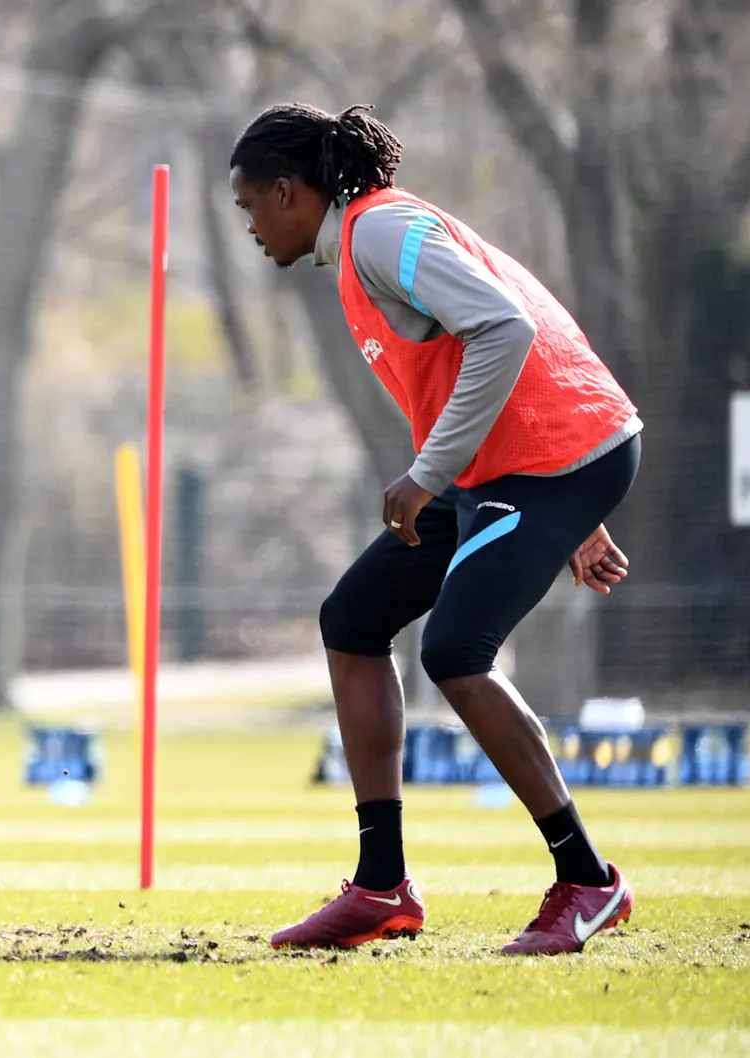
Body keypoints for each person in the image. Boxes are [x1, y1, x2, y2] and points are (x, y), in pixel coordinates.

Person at [228, 104, 641, 955]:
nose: (251, 225)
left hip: (554, 458)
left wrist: (432, 477)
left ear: (287, 190)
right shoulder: (360, 247)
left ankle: (590, 881)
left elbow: (506, 326)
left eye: (249, 206)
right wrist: (557, 513)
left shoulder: (380, 231)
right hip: (518, 465)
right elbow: (479, 346)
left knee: (455, 650)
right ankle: (382, 886)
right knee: (353, 621)